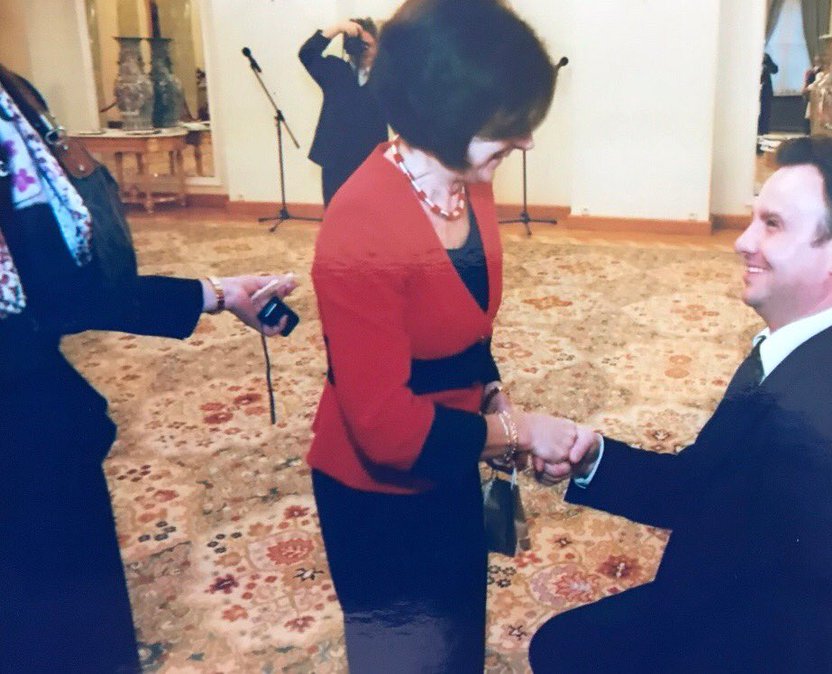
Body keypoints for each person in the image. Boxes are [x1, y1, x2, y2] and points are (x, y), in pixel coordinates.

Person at [529, 136, 832, 673]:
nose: (743, 242)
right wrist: (592, 458)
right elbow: (703, 488)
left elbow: (795, 618)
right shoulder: (804, 351)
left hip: (764, 646)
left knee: (564, 652)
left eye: (772, 225)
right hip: (740, 603)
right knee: (562, 645)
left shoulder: (831, 405)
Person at [306, 1, 581, 671]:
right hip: (377, 494)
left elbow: (466, 326)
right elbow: (385, 429)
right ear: (445, 111)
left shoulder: (468, 185)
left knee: (458, 643)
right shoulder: (360, 224)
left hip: (451, 457)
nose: (527, 142)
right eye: (508, 123)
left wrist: (493, 399)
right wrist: (519, 434)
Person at [0, 66, 297, 673]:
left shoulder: (10, 99)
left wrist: (216, 293)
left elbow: (64, 289)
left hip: (40, 436)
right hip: (27, 452)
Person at [299, 17, 388, 205]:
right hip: (335, 156)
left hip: (370, 157)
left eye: (368, 45)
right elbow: (307, 54)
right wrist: (338, 28)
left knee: (369, 210)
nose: (363, 50)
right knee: (335, 208)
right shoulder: (334, 70)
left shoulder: (385, 77)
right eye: (359, 45)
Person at [758, 53, 779, 149]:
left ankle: (763, 134)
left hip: (765, 92)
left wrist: (766, 64)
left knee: (765, 113)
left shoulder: (765, 57)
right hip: (752, 93)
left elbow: (775, 70)